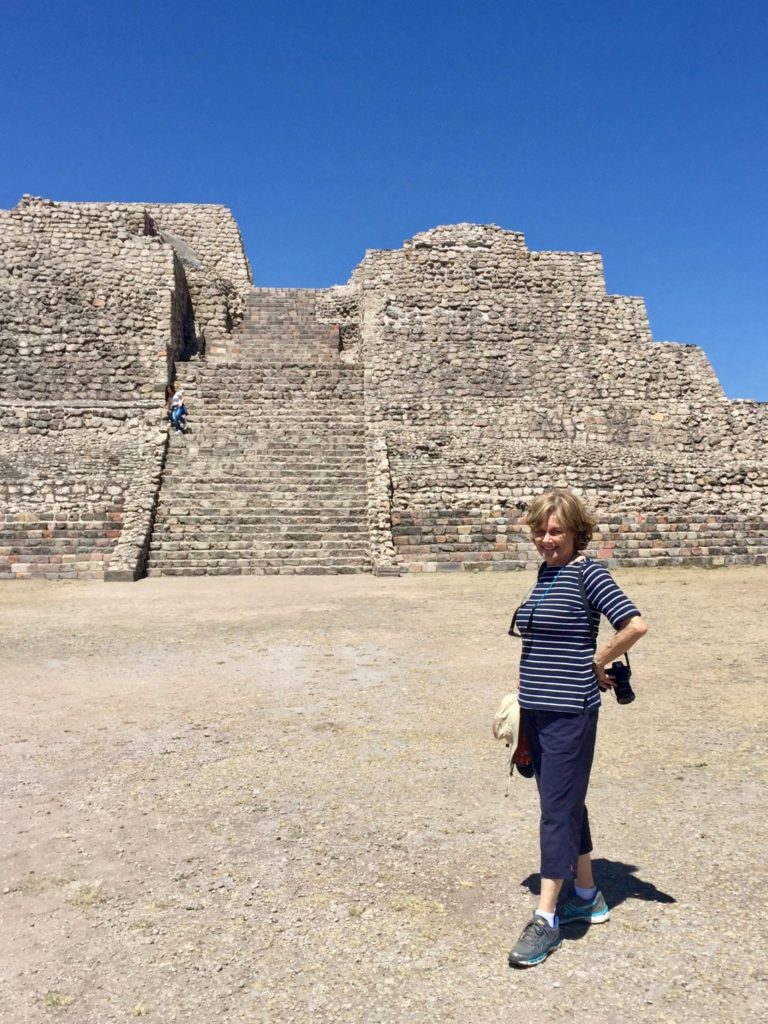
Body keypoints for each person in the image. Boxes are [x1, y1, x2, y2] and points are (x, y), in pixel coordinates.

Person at [506, 489, 647, 968]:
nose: (547, 540)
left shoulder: (589, 572)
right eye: (540, 531)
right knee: (563, 802)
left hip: (570, 710)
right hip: (536, 708)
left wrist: (598, 659)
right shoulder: (546, 573)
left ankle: (546, 917)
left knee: (555, 812)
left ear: (575, 533)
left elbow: (634, 625)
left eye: (556, 531)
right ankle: (586, 893)